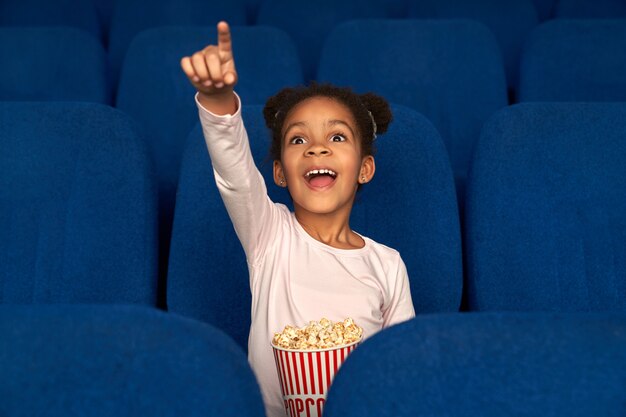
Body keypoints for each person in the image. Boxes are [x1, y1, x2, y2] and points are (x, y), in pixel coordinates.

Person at [181, 21, 415, 417]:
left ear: (365, 168)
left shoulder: (387, 264)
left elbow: (403, 369)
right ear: (279, 173)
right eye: (298, 140)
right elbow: (234, 178)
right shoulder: (269, 236)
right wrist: (218, 101)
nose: (317, 149)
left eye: (337, 138)